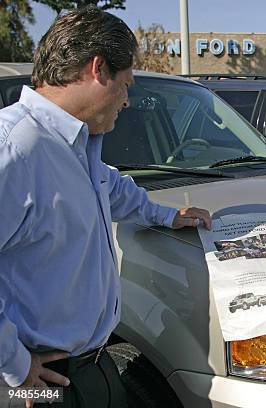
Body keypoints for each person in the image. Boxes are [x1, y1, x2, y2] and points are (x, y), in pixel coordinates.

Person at [0, 7, 211, 408]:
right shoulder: (14, 148)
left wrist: (167, 215)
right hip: (37, 386)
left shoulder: (75, 145)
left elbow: (109, 186)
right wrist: (13, 366)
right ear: (98, 69)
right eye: (126, 83)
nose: (127, 100)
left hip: (92, 367)